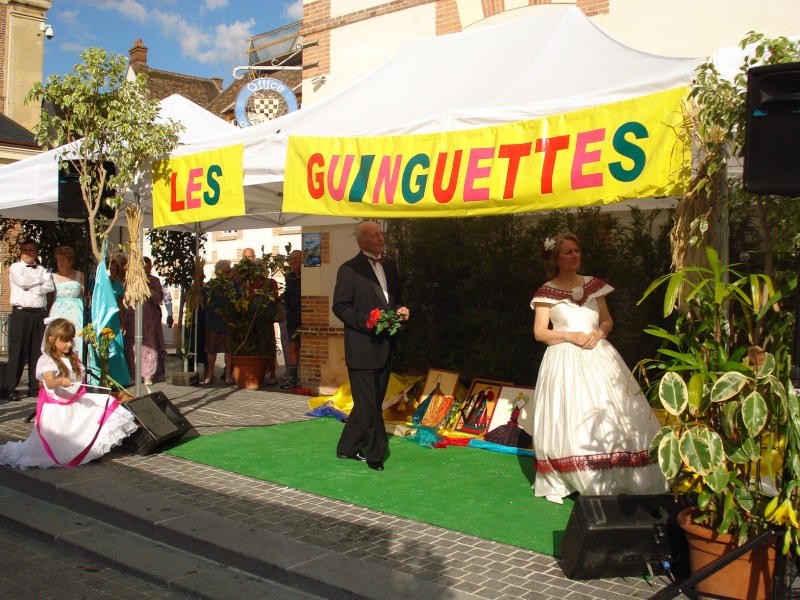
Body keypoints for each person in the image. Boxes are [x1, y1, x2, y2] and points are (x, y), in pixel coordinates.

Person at [530, 232, 667, 504]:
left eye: (577, 250)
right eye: (568, 252)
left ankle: (623, 476)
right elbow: (540, 333)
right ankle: (576, 476)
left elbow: (606, 320)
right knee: (573, 416)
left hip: (599, 355)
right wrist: (569, 336)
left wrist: (600, 333)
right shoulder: (546, 292)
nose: (574, 255)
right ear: (555, 258)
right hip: (564, 360)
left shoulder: (594, 286)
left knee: (612, 410)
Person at [0, 318, 137, 469]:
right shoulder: (48, 360)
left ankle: (88, 450)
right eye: (64, 340)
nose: (69, 344)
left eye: (71, 339)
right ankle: (75, 452)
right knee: (57, 445)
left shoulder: (72, 358)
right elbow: (49, 382)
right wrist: (59, 381)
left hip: (74, 402)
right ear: (51, 340)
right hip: (58, 409)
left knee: (105, 401)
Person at [332, 220, 409, 471]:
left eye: (381, 233)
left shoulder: (391, 266)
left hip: (386, 345)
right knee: (368, 403)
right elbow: (340, 307)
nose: (381, 238)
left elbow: (394, 299)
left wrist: (400, 310)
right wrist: (368, 322)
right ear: (361, 240)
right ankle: (376, 454)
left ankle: (346, 447)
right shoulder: (349, 269)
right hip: (362, 347)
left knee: (371, 401)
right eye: (374, 235)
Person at [5, 239, 55, 401]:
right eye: (25, 250)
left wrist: (35, 285)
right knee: (17, 351)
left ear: (36, 252)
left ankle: (34, 387)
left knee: (37, 350)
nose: (28, 253)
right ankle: (11, 388)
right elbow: (22, 282)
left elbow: (50, 286)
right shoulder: (15, 267)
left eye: (31, 250)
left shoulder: (42, 269)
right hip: (21, 313)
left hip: (39, 313)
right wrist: (40, 281)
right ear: (21, 252)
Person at [123, 257, 166, 385]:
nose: (147, 269)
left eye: (149, 266)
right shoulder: (131, 281)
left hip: (149, 318)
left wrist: (149, 289)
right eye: (145, 267)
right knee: (133, 345)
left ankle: (148, 374)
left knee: (149, 345)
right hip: (132, 316)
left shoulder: (155, 281)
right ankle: (133, 374)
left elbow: (159, 298)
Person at [49, 246, 85, 361]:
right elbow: (49, 298)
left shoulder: (80, 275)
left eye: (63, 260)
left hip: (76, 312)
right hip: (59, 312)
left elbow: (85, 295)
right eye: (58, 260)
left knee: (77, 339)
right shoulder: (52, 277)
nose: (60, 263)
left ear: (71, 261)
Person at [203, 260, 233, 384]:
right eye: (227, 272)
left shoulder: (232, 284)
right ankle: (210, 373)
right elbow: (207, 302)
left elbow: (237, 298)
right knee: (212, 349)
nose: (230, 273)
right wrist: (218, 312)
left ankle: (227, 375)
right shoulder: (211, 285)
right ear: (219, 272)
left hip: (228, 322)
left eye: (230, 271)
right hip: (214, 322)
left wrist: (230, 313)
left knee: (228, 349)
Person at [281, 249, 303, 389]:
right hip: (293, 316)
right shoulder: (289, 277)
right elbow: (288, 294)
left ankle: (303, 376)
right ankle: (293, 377)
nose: (294, 261)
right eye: (292, 259)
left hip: (305, 315)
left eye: (297, 259)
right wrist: (288, 309)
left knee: (306, 346)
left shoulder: (308, 275)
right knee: (293, 345)